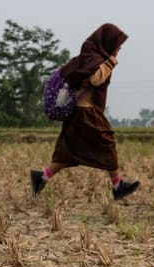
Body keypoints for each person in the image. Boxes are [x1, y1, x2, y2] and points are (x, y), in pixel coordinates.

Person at [31, 23, 140, 200]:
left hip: (78, 112)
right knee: (106, 141)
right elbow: (95, 80)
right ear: (108, 41)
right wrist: (110, 63)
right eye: (117, 44)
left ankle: (42, 177)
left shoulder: (88, 56)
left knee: (68, 151)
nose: (119, 48)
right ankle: (118, 184)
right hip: (86, 111)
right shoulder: (94, 58)